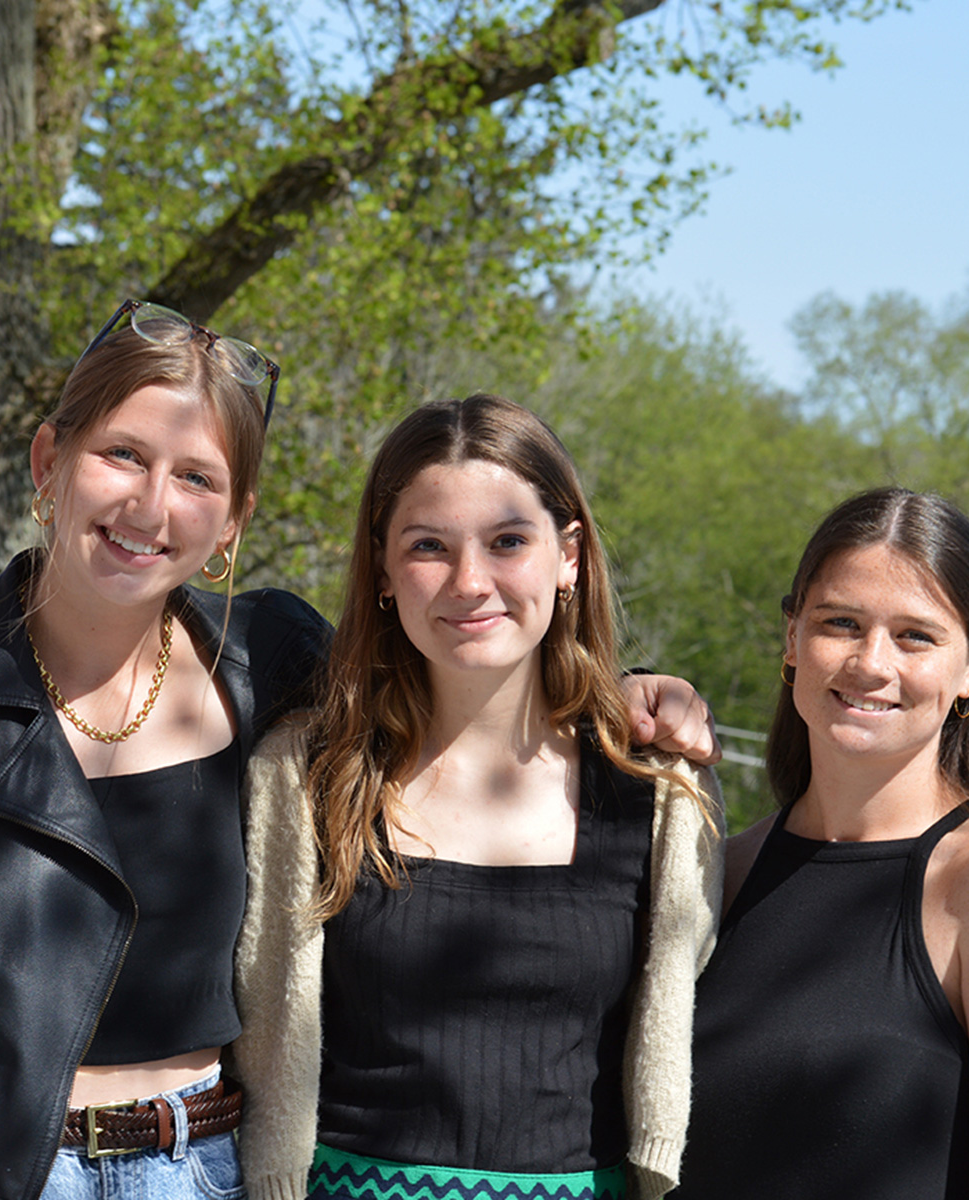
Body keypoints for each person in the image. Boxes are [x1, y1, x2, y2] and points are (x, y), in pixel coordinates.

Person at [0, 323, 719, 1200]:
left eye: (197, 477)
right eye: (122, 455)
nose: (152, 507)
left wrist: (632, 694)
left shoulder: (266, 657)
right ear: (49, 461)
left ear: (235, 519)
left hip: (209, 1165)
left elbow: (465, 664)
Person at [229, 393, 725, 1200]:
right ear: (384, 567)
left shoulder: (659, 790)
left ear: (569, 556)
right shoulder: (302, 774)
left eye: (507, 542)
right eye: (429, 545)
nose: (469, 581)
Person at [675, 487, 969, 1200]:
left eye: (915, 636)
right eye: (840, 622)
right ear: (792, 637)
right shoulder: (722, 869)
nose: (871, 663)